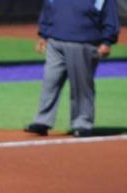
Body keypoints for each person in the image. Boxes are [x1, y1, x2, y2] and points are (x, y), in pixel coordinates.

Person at [24, 0, 120, 138]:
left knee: (81, 86)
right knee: (50, 82)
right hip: (55, 41)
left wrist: (107, 41)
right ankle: (42, 122)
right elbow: (49, 8)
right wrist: (43, 35)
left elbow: (109, 16)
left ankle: (82, 123)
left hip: (84, 42)